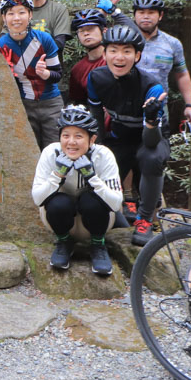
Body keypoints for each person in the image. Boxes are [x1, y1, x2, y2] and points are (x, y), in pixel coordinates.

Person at [86, 26, 169, 246]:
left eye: (127, 51)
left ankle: (145, 218)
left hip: (150, 138)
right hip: (120, 136)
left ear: (138, 55)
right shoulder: (96, 78)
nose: (119, 57)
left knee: (150, 158)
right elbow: (95, 119)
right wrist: (96, 148)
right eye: (113, 50)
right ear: (104, 54)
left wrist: (151, 118)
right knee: (98, 159)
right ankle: (120, 211)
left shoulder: (151, 86)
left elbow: (151, 141)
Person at [31, 107, 123, 275]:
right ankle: (64, 242)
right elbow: (37, 198)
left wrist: (93, 178)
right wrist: (57, 175)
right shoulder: (51, 153)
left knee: (90, 200)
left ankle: (98, 245)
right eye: (66, 135)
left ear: (92, 139)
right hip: (62, 219)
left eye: (78, 136)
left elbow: (116, 203)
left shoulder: (103, 155)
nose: (71, 142)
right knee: (59, 203)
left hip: (97, 220)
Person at [0, 0, 63, 149]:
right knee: (30, 151)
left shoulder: (44, 39)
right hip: (23, 105)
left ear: (30, 15)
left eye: (22, 12)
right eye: (10, 14)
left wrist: (44, 74)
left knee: (55, 150)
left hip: (51, 103)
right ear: (4, 18)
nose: (16, 18)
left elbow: (58, 74)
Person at [128, 0, 191, 129]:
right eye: (141, 12)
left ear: (160, 16)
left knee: (157, 147)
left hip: (158, 106)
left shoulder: (172, 44)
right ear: (135, 15)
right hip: (127, 107)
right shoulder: (124, 41)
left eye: (151, 12)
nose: (146, 16)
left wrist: (190, 105)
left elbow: (182, 75)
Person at [67, 0, 133, 104]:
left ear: (104, 30)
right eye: (81, 31)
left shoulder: (119, 59)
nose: (86, 33)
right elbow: (78, 102)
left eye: (91, 29)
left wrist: (113, 11)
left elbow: (136, 37)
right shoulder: (77, 70)